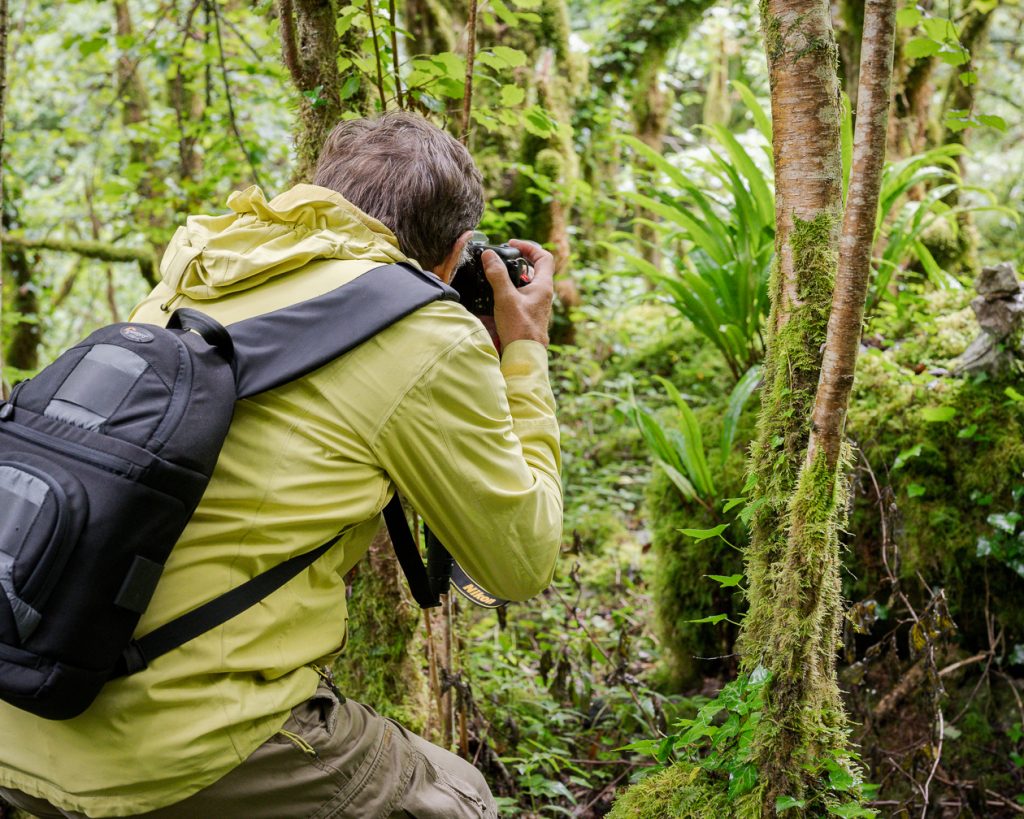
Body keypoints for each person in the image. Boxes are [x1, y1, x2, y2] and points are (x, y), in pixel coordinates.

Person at [0, 112, 562, 818]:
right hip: (169, 747)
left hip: (24, 698)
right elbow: (520, 559)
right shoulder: (424, 330)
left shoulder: (197, 269)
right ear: (454, 254)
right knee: (458, 794)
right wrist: (523, 349)